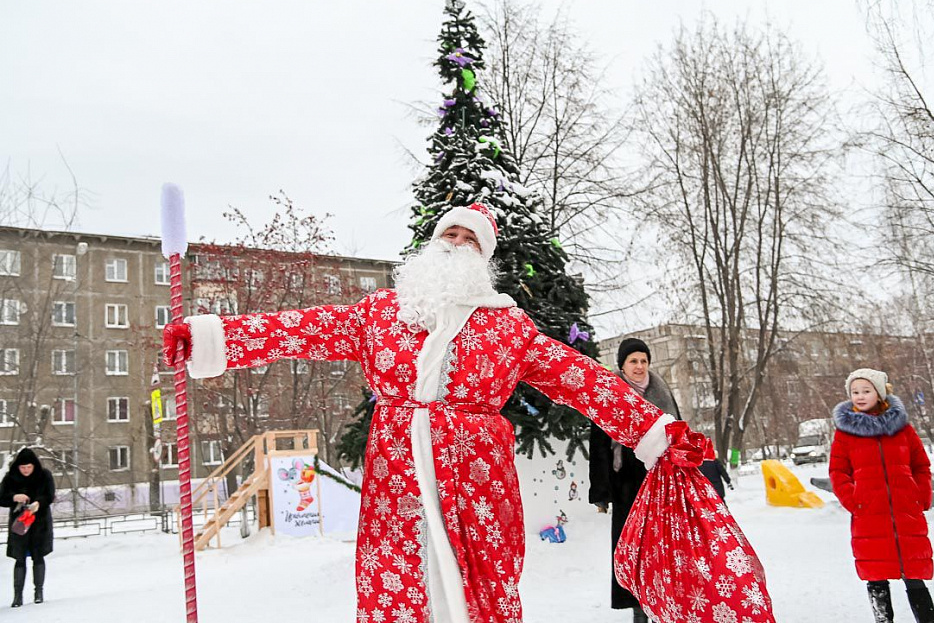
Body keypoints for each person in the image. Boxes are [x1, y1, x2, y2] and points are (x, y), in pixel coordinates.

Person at [163, 203, 773, 622]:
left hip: (478, 482)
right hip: (397, 478)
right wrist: (214, 340)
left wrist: (654, 429)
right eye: (448, 236)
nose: (456, 245)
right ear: (432, 247)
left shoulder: (506, 325)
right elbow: (300, 329)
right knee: (399, 589)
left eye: (470, 239)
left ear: (484, 256)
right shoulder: (382, 313)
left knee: (482, 590)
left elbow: (578, 377)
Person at [829, 369, 934, 623]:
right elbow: (838, 471)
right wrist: (853, 500)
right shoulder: (845, 433)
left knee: (915, 574)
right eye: (855, 392)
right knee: (875, 575)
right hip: (869, 514)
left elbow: (921, 465)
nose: (860, 396)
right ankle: (883, 620)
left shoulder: (903, 429)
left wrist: (920, 496)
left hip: (906, 513)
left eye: (866, 391)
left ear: (880, 393)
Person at [588, 338, 680, 623]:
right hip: (626, 482)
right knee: (633, 549)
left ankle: (663, 605)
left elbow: (678, 434)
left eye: (643, 361)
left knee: (661, 547)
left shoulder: (662, 391)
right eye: (633, 361)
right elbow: (600, 445)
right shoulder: (611, 394)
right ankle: (639, 610)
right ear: (622, 365)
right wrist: (601, 490)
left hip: (660, 480)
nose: (639, 367)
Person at [0, 448, 55, 607]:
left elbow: (50, 495)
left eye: (28, 467)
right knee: (19, 558)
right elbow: (1, 497)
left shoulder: (44, 475)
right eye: (22, 467)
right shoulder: (11, 478)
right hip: (20, 525)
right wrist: (14, 497)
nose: (25, 470)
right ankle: (18, 596)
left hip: (40, 523)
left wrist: (38, 503)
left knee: (38, 556)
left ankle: (38, 592)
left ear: (34, 466)